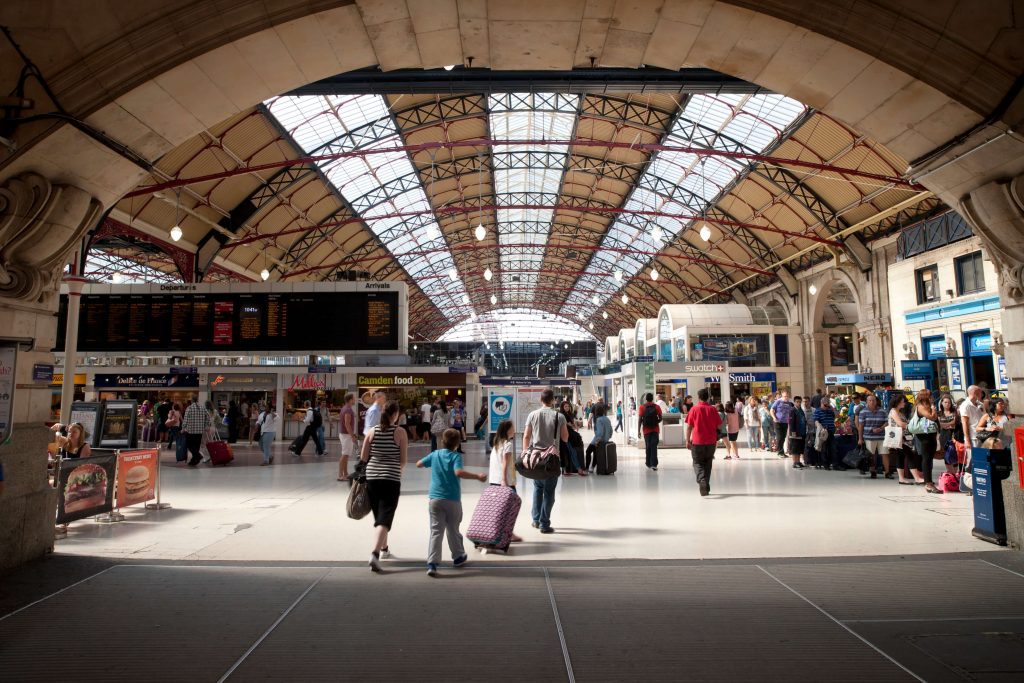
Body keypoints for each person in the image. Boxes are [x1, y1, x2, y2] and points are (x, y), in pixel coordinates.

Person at [417, 428, 486, 576]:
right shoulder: (455, 457)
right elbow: (458, 472)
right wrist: (477, 476)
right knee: (453, 529)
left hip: (435, 499)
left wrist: (430, 463)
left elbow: (418, 464)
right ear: (457, 444)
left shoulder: (435, 454)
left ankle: (432, 563)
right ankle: (458, 556)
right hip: (452, 499)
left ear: (442, 441)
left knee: (436, 531)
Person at [360, 401, 408, 572]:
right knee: (385, 516)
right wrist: (395, 470)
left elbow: (364, 457)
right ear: (395, 415)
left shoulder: (372, 431)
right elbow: (403, 461)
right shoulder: (400, 432)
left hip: (372, 477)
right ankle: (374, 554)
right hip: (391, 478)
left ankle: (384, 548)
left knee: (380, 516)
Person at [522, 389, 568, 534]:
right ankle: (544, 523)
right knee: (549, 492)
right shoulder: (559, 416)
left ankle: (535, 520)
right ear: (553, 400)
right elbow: (565, 438)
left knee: (537, 488)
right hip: (551, 460)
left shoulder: (532, 415)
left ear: (541, 400)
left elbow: (526, 437)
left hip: (535, 459)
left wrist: (525, 454)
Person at [488, 419, 523, 543]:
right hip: (506, 482)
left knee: (499, 510)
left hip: (493, 481)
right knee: (511, 508)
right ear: (507, 430)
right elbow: (505, 463)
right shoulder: (507, 445)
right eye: (512, 428)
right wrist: (504, 480)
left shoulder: (497, 444)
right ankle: (509, 533)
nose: (514, 430)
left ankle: (498, 532)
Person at [685, 389, 721, 496]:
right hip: (711, 441)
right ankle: (706, 486)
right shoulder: (713, 409)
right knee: (708, 463)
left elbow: (689, 427)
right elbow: (718, 424)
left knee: (697, 463)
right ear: (708, 397)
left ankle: (702, 481)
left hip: (697, 441)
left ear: (698, 397)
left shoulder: (694, 409)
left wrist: (687, 440)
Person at [888, 395, 921, 484]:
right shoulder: (894, 411)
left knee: (900, 457)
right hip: (899, 438)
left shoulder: (899, 412)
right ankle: (917, 478)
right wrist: (912, 427)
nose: (904, 403)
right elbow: (900, 423)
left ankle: (901, 478)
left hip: (902, 438)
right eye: (903, 401)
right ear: (897, 402)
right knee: (910, 456)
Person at [912, 395, 941, 493]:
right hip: (924, 436)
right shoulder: (920, 406)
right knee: (927, 458)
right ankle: (928, 483)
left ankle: (929, 482)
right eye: (930, 396)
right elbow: (932, 417)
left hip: (930, 435)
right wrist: (933, 409)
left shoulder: (927, 407)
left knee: (929, 459)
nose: (932, 398)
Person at [856, 393, 888, 479]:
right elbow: (861, 426)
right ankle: (873, 471)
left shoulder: (883, 411)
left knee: (885, 454)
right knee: (871, 455)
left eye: (873, 400)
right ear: (866, 402)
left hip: (882, 436)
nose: (872, 402)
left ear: (876, 401)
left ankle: (887, 472)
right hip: (869, 437)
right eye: (870, 400)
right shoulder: (863, 412)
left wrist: (881, 428)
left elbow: (887, 422)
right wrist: (860, 438)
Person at [559, 400, 587, 476]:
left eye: (568, 406)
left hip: (570, 435)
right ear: (562, 407)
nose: (567, 407)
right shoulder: (562, 415)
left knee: (569, 452)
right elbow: (567, 424)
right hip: (565, 435)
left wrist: (574, 425)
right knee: (571, 452)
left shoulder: (569, 414)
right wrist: (573, 425)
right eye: (565, 406)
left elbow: (572, 423)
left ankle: (567, 470)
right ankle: (578, 469)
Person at [813, 397, 842, 471]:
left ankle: (835, 465)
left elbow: (837, 416)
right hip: (823, 433)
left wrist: (833, 409)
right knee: (824, 449)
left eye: (828, 405)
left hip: (831, 431)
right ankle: (826, 464)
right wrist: (821, 428)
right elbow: (816, 421)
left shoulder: (830, 410)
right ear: (821, 403)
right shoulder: (817, 411)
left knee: (833, 448)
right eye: (825, 405)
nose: (827, 407)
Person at [637, 392, 662, 471]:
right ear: (652, 399)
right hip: (655, 429)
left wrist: (638, 431)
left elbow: (640, 420)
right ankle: (654, 464)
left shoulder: (642, 407)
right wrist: (655, 423)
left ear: (646, 399)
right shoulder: (657, 407)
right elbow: (661, 418)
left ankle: (648, 463)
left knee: (648, 446)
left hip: (646, 430)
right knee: (654, 446)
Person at [586, 404, 613, 471]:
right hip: (605, 441)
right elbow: (611, 431)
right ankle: (592, 467)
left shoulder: (599, 420)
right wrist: (607, 438)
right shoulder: (607, 419)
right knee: (595, 453)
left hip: (597, 440)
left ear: (596, 412)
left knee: (588, 451)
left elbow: (600, 433)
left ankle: (586, 468)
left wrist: (597, 441)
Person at [337, 393, 357, 481]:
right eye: (354, 398)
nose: (355, 400)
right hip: (346, 435)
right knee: (345, 455)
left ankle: (345, 473)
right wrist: (352, 435)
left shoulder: (344, 408)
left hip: (345, 434)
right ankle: (340, 475)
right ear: (350, 400)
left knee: (346, 455)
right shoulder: (348, 410)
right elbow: (347, 423)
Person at [182, 399, 207, 467]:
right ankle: (194, 461)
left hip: (191, 431)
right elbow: (207, 417)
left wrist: (183, 428)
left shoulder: (189, 408)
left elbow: (185, 419)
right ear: (198, 400)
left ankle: (198, 455)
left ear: (192, 401)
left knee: (189, 445)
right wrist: (206, 426)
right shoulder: (203, 407)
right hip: (200, 431)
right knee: (196, 446)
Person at [771, 391, 793, 459]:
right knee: (779, 437)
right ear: (782, 396)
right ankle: (779, 452)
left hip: (785, 422)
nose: (786, 397)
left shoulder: (789, 403)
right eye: (784, 396)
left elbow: (791, 412)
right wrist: (774, 417)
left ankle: (781, 451)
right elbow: (771, 410)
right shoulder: (778, 401)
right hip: (778, 422)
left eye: (787, 396)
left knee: (783, 438)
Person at [788, 396, 807, 469]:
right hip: (795, 432)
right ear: (794, 402)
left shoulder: (801, 410)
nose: (799, 403)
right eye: (797, 402)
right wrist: (793, 432)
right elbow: (791, 422)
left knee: (799, 447)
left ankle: (798, 461)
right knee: (795, 448)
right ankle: (794, 462)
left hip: (801, 432)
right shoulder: (792, 410)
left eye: (800, 402)